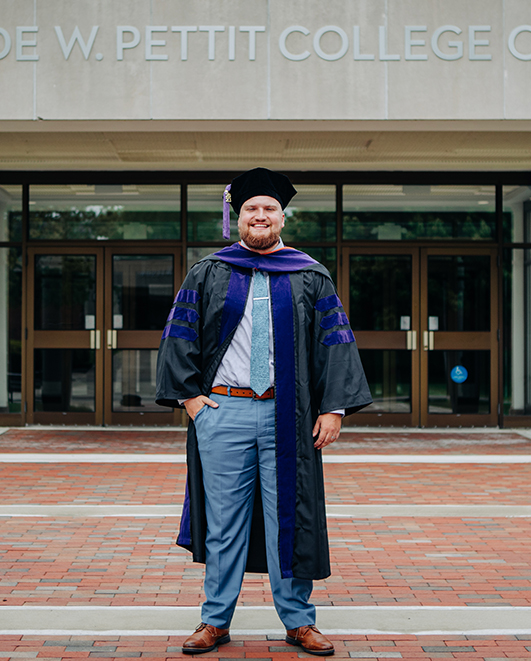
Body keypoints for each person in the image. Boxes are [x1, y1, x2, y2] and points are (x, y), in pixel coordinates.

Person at [156, 167, 372, 656]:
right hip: (223, 411)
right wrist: (192, 401)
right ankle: (215, 621)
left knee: (288, 519)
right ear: (238, 216)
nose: (260, 216)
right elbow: (178, 337)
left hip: (288, 416)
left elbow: (333, 343)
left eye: (268, 209)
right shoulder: (208, 271)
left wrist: (333, 407)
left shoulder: (309, 274)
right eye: (251, 208)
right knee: (224, 520)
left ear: (281, 217)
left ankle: (298, 622)